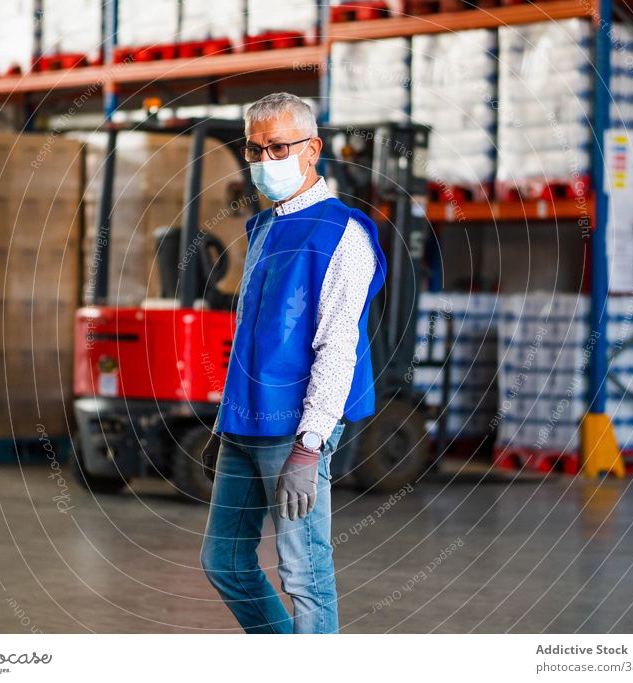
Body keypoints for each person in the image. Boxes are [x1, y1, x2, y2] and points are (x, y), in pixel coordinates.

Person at [199, 92, 387, 634]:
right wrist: (224, 421)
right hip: (244, 423)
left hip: (295, 430)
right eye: (255, 150)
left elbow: (337, 347)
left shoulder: (342, 234)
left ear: (312, 150)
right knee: (226, 563)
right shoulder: (263, 228)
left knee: (303, 573)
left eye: (277, 147)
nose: (263, 161)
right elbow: (253, 338)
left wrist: (309, 447)